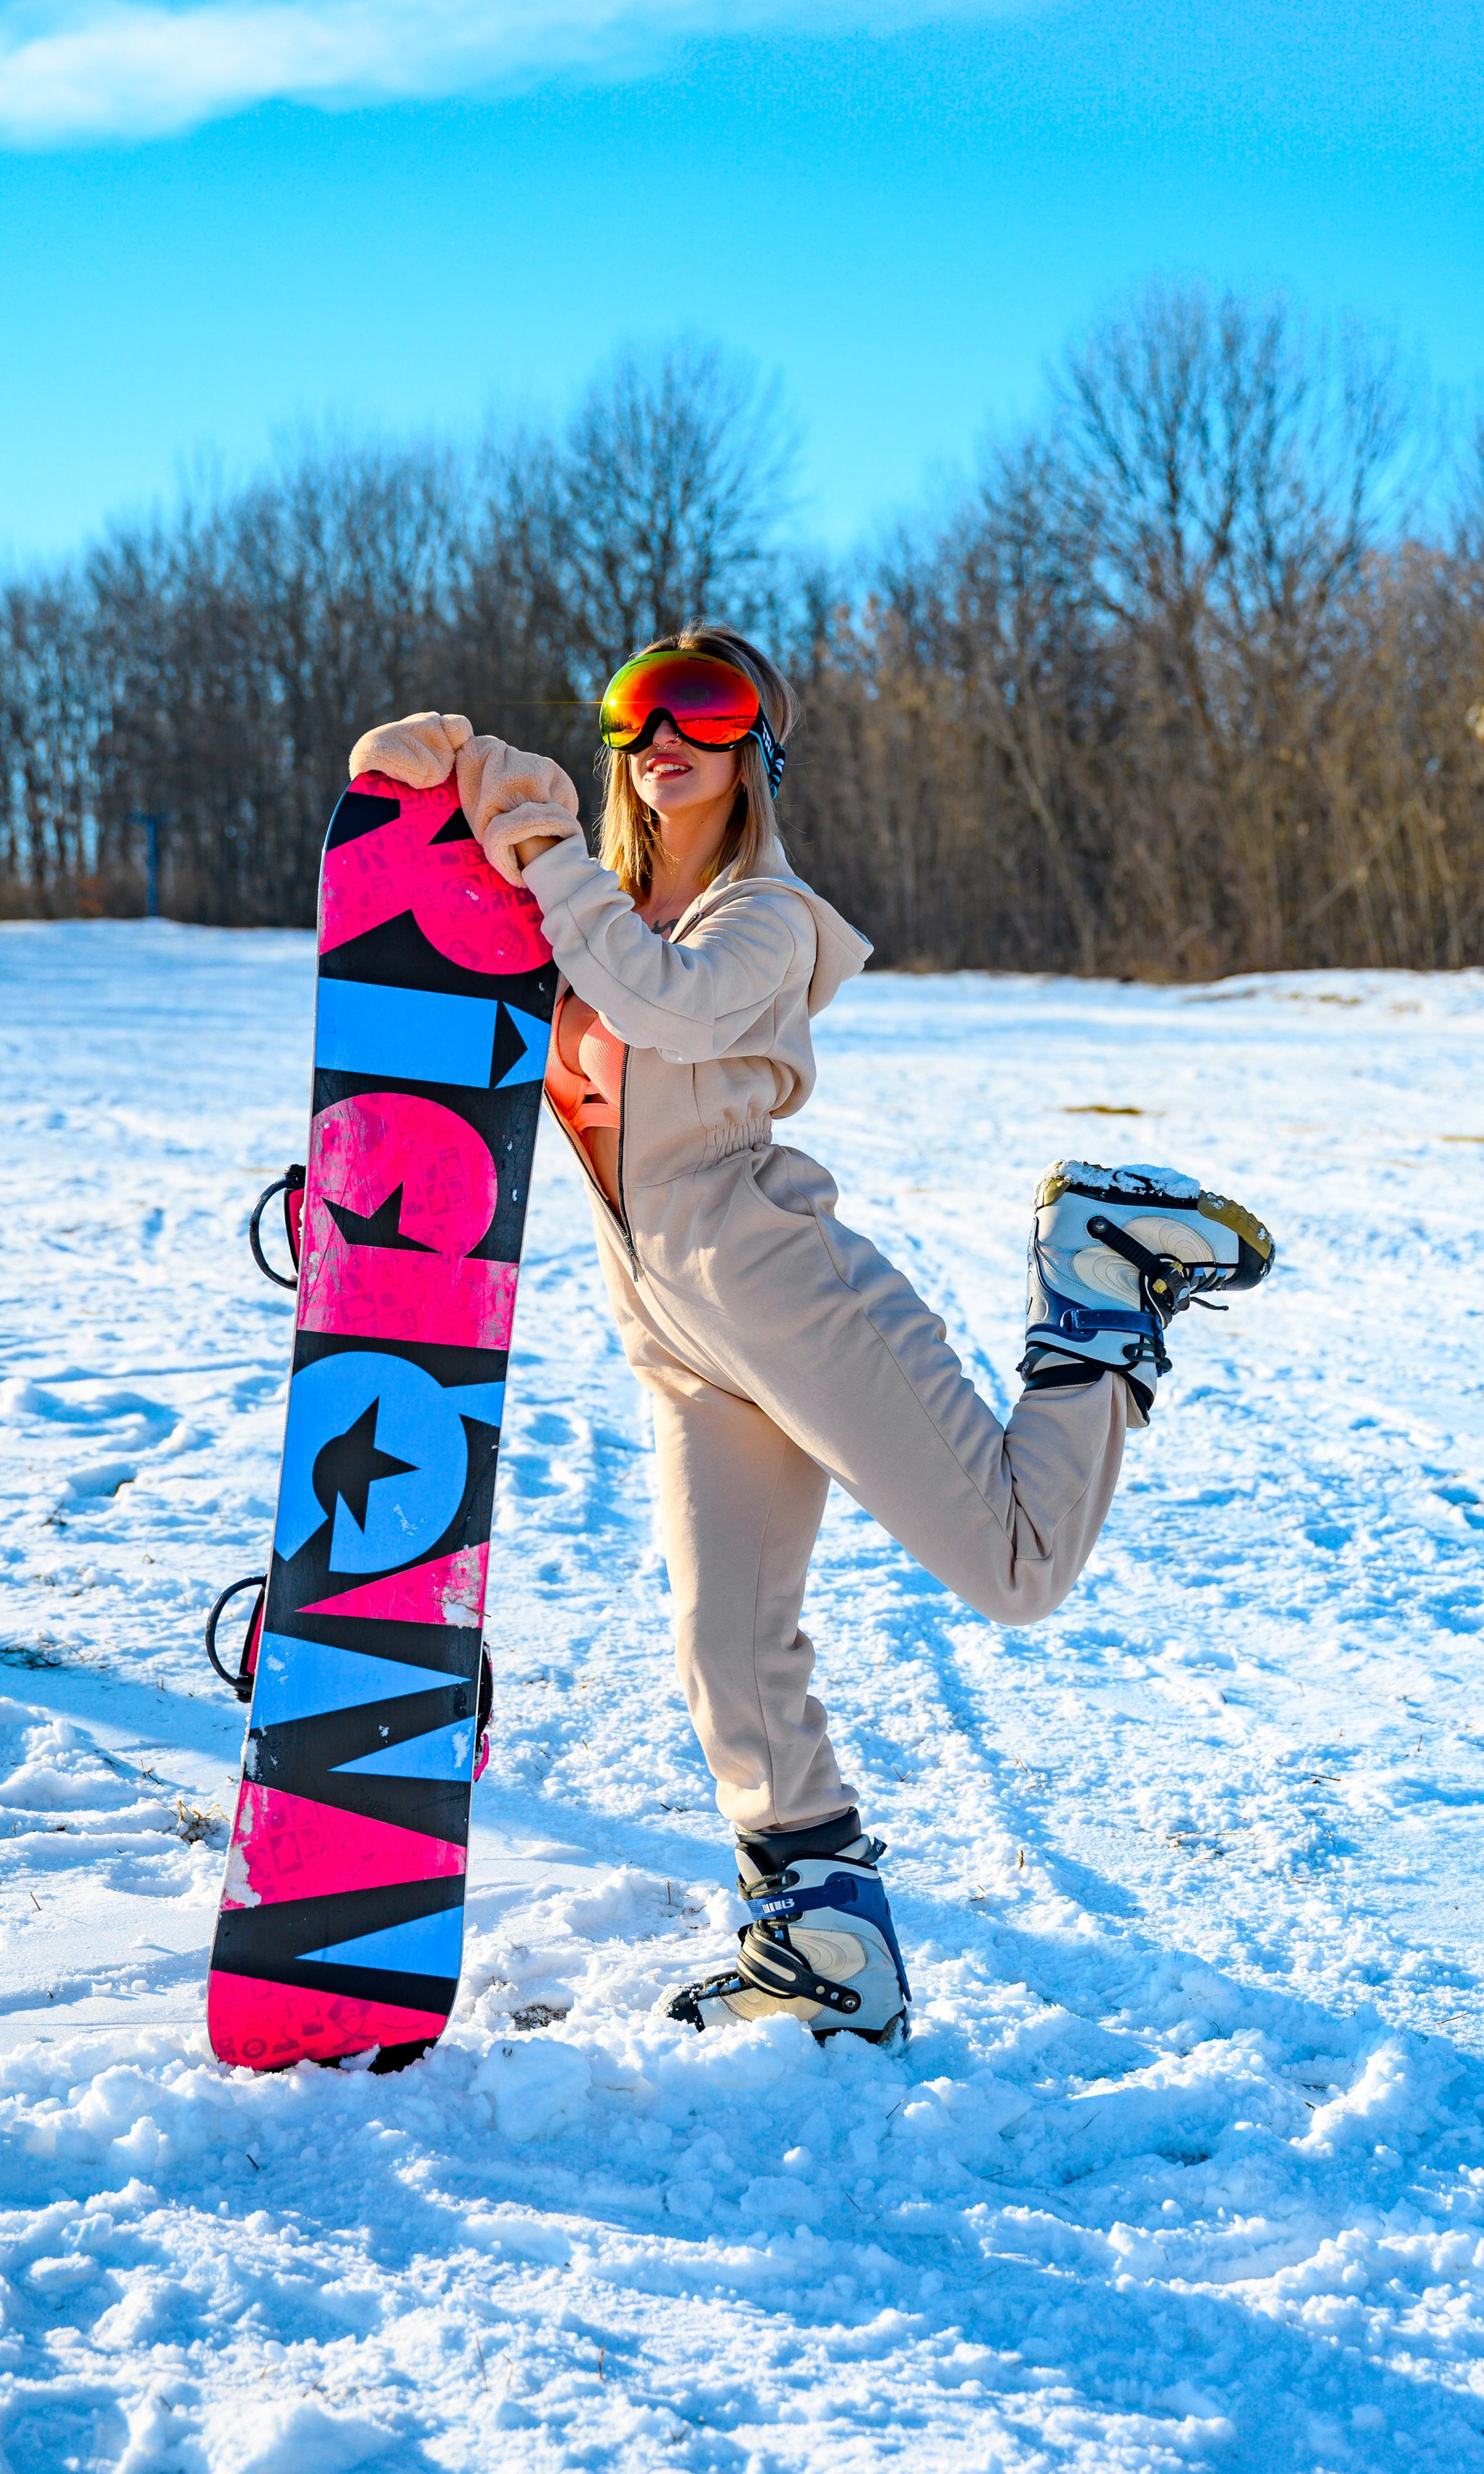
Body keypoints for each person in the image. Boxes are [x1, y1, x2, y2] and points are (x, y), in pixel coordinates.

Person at [347, 629, 1273, 2047]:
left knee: (1016, 1570)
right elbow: (429, 878)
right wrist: (432, 773)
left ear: (754, 749)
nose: (662, 735)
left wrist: (540, 850)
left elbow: (663, 1000)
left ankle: (1096, 1285)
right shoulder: (580, 903)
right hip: (671, 1326)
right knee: (725, 1642)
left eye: (704, 711)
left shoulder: (761, 916)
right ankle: (822, 1942)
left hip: (781, 1283)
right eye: (634, 711)